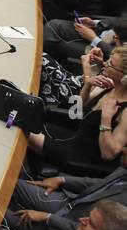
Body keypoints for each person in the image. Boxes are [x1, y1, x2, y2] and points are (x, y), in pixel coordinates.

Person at [29, 40, 127, 171]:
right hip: (74, 136)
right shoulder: (109, 86)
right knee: (26, 119)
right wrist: (88, 83)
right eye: (108, 60)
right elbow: (76, 110)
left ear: (124, 77)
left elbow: (108, 154)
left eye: (111, 64)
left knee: (23, 133)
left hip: (81, 157)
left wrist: (106, 119)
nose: (105, 64)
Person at [5, 148, 127, 230]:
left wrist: (46, 217)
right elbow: (99, 184)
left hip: (60, 229)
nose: (123, 150)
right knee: (9, 183)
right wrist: (62, 180)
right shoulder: (124, 169)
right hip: (70, 203)